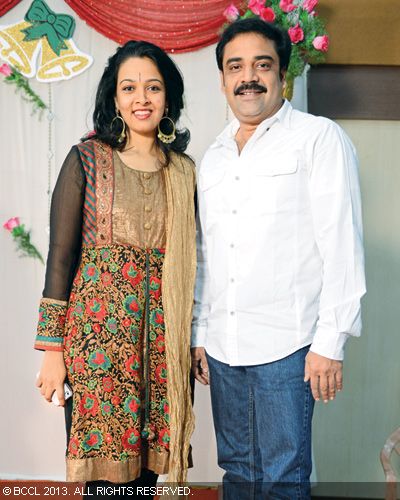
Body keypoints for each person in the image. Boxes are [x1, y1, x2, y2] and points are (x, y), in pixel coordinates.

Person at [191, 18, 366, 500]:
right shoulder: (214, 156)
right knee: (238, 471)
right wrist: (200, 334)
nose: (248, 77)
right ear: (223, 80)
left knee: (283, 477)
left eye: (261, 65)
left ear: (282, 74)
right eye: (235, 67)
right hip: (223, 347)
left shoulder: (318, 138)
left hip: (288, 346)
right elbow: (207, 255)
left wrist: (331, 342)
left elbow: (342, 245)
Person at [34, 40, 197, 499]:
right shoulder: (85, 159)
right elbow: (60, 258)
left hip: (163, 352)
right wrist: (52, 350)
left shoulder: (183, 172)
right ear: (114, 98)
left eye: (152, 87)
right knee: (103, 487)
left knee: (145, 484)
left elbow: (194, 263)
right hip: (98, 352)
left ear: (168, 98)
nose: (141, 98)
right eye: (129, 88)